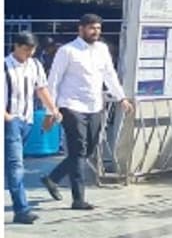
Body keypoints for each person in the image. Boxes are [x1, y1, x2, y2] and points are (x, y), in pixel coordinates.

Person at [43, 13, 133, 210]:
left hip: (94, 106)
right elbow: (54, 80)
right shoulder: (67, 51)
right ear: (81, 29)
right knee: (78, 151)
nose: (96, 32)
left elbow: (109, 74)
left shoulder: (102, 49)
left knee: (88, 150)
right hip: (71, 106)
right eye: (92, 28)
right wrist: (51, 109)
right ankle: (78, 198)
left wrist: (121, 97)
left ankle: (52, 178)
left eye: (99, 28)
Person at [5, 31, 61, 225]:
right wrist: (7, 117)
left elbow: (42, 88)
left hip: (27, 120)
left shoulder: (35, 65)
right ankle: (21, 209)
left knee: (16, 162)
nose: (29, 53)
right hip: (9, 120)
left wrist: (52, 108)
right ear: (16, 46)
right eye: (26, 49)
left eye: (32, 49)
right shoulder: (5, 66)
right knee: (15, 165)